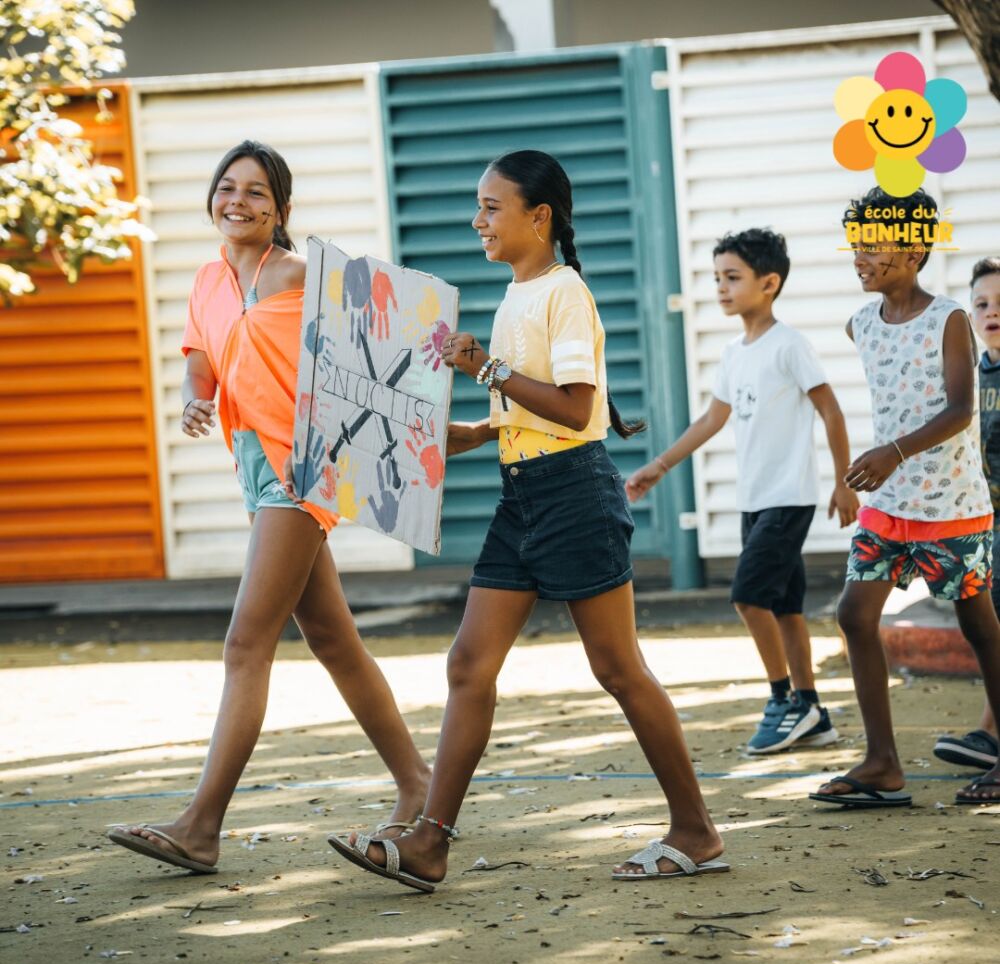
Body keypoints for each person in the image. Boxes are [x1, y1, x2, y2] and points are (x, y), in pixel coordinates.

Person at [327, 149, 728, 891]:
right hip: (521, 497)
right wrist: (463, 432)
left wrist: (484, 370)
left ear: (538, 216)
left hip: (575, 497)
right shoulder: (517, 293)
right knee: (467, 665)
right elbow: (527, 406)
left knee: (618, 669)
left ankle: (697, 831)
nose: (476, 221)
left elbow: (577, 408)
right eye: (478, 207)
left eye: (491, 207)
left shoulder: (563, 292)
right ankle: (430, 844)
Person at [108, 141, 429, 873]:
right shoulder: (207, 280)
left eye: (257, 192)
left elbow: (384, 338)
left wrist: (407, 432)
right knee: (332, 639)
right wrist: (196, 399)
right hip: (252, 465)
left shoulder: (300, 272)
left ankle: (200, 827)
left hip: (301, 469)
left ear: (281, 208)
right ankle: (419, 783)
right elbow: (202, 360)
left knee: (245, 644)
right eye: (228, 187)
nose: (238, 202)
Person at [627, 229, 858, 754]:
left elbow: (831, 411)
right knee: (785, 607)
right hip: (754, 501)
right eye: (717, 278)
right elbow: (712, 419)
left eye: (733, 277)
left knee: (748, 596)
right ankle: (812, 709)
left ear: (769, 283)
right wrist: (659, 466)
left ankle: (783, 700)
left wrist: (845, 482)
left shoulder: (790, 345)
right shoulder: (734, 353)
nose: (721, 288)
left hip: (789, 497)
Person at [811, 188, 1000, 809]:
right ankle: (883, 764)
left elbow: (961, 409)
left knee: (978, 625)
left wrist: (893, 451)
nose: (859, 256)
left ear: (915, 251)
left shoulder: (948, 319)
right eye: (856, 244)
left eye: (874, 244)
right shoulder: (861, 324)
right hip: (888, 506)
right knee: (853, 615)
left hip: (951, 505)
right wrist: (885, 464)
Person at [933, 256, 1000, 772]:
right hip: (985, 520)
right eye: (981, 304)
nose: (991, 312)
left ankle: (989, 732)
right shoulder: (971, 377)